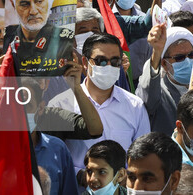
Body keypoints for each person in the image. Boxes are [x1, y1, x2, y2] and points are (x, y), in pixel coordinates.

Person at [48, 33, 150, 175]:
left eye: (115, 62)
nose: (108, 66)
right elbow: (53, 157)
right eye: (101, 61)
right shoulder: (60, 105)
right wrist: (81, 175)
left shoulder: (135, 106)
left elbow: (143, 156)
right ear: (85, 62)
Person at [137, 25, 193, 134]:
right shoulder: (159, 92)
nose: (187, 61)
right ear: (164, 63)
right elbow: (148, 96)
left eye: (191, 55)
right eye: (179, 58)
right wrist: (157, 52)